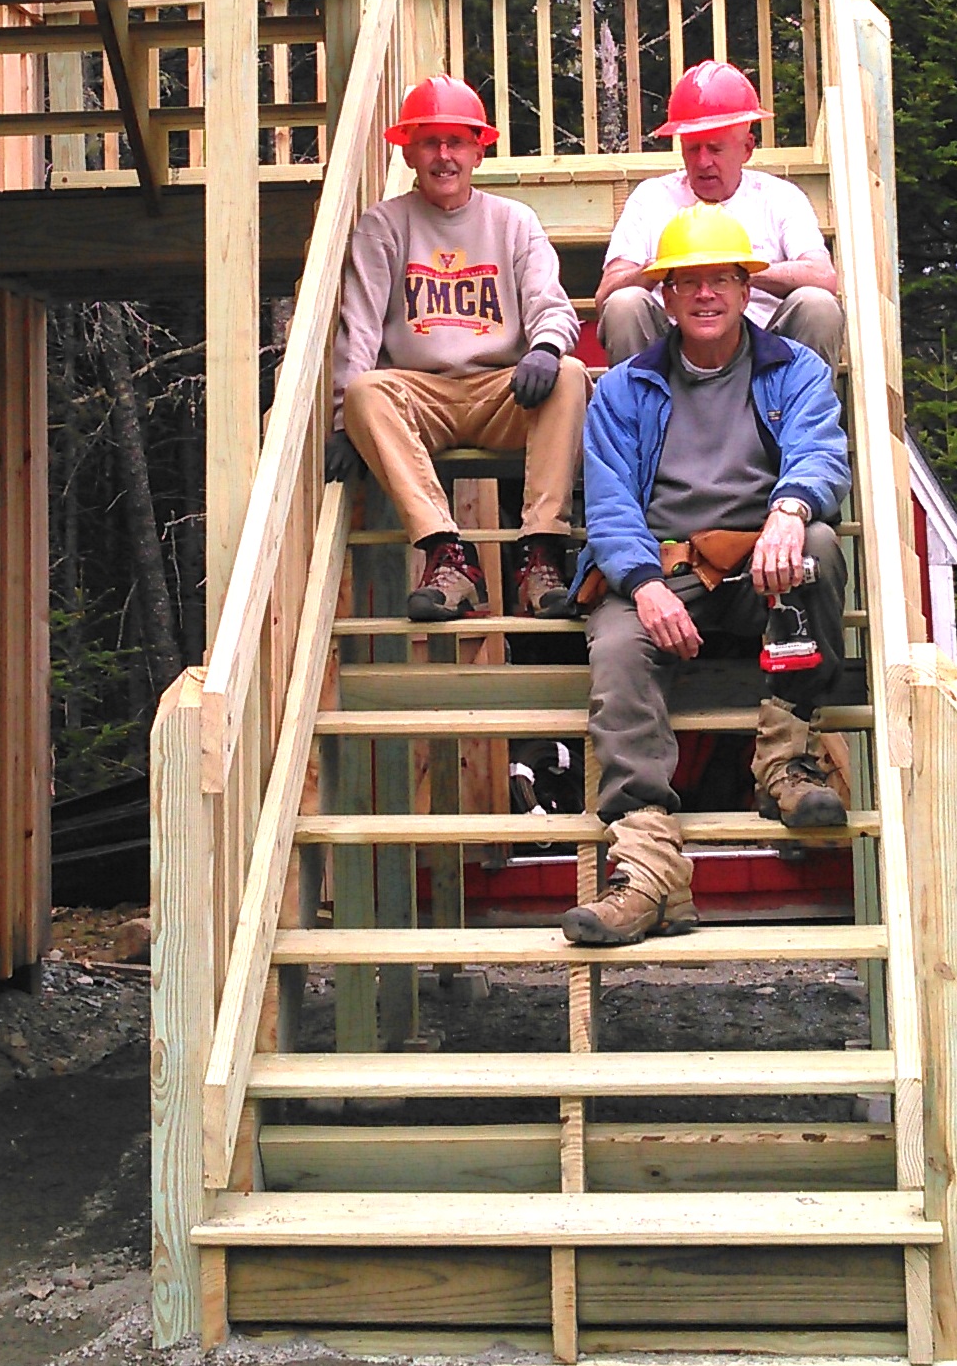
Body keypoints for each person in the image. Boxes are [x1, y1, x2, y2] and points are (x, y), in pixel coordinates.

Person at [563, 202, 853, 947]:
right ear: (663, 297)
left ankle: (788, 761)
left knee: (818, 548)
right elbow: (609, 502)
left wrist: (790, 509)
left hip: (765, 562)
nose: (705, 295)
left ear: (743, 286)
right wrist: (645, 582)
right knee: (620, 643)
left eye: (720, 278)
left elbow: (821, 452)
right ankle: (651, 870)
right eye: (687, 282)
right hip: (667, 569)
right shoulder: (624, 387)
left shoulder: (796, 369)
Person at [325, 75, 587, 621]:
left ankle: (539, 555)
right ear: (410, 151)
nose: (444, 156)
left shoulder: (513, 221)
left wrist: (544, 347)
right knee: (366, 392)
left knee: (569, 373)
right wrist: (341, 420)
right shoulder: (383, 226)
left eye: (456, 142)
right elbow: (360, 328)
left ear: (478, 148)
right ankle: (447, 557)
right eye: (429, 142)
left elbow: (551, 302)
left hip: (504, 391)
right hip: (423, 395)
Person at [595, 60, 842, 367]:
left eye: (715, 149)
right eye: (692, 148)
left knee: (818, 305)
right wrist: (654, 272)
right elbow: (606, 294)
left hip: (764, 361)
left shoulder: (780, 197)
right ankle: (640, 410)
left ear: (747, 148)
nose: (702, 162)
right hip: (672, 360)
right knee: (624, 304)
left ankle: (802, 411)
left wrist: (734, 270)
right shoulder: (650, 198)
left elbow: (823, 277)